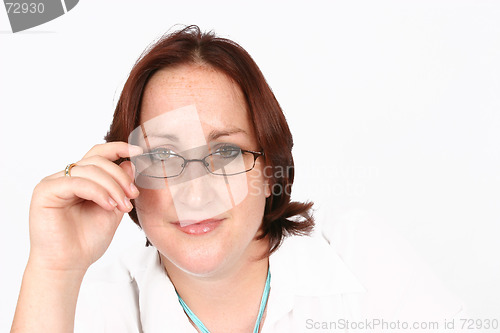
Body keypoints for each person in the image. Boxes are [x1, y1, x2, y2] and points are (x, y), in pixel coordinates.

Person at [11, 26, 463, 333]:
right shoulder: (86, 300)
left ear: (270, 171)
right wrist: (55, 269)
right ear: (124, 174)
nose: (196, 190)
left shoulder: (360, 257)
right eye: (164, 155)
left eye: (224, 152)